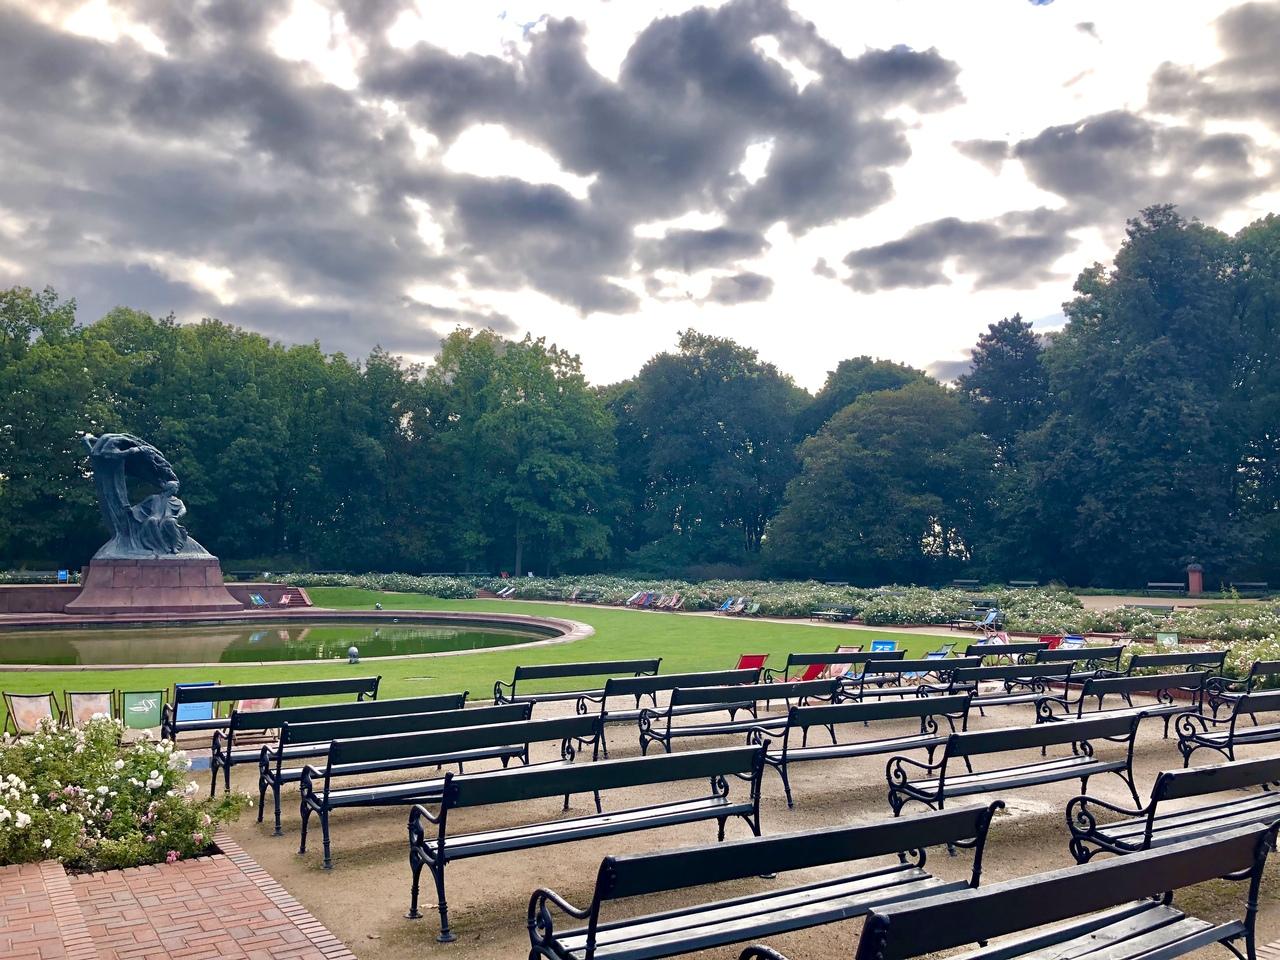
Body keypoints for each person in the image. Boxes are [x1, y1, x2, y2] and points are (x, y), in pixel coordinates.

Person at [130, 480, 189, 554]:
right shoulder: (154, 498)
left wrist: (178, 516)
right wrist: (130, 510)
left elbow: (183, 509)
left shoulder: (177, 501)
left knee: (170, 521)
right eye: (176, 487)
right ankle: (162, 546)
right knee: (152, 520)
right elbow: (139, 506)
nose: (177, 489)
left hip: (168, 518)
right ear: (171, 488)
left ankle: (176, 546)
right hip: (155, 517)